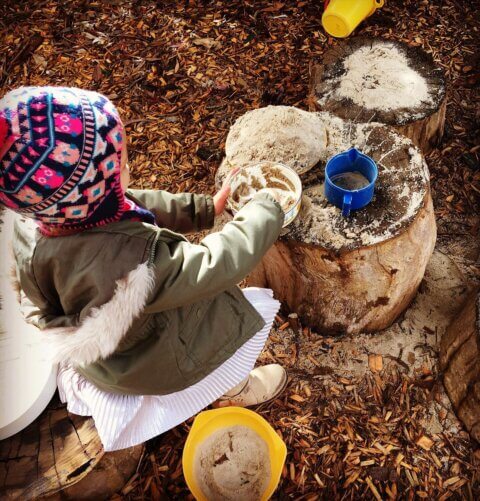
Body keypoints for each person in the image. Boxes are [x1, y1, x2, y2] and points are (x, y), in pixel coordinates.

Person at [0, 86, 287, 451]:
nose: (127, 165)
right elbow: (215, 264)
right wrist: (265, 210)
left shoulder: (39, 224)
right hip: (157, 359)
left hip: (108, 355)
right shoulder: (131, 267)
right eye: (120, 162)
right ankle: (232, 388)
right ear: (92, 196)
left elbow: (133, 203)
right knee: (216, 352)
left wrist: (202, 209)